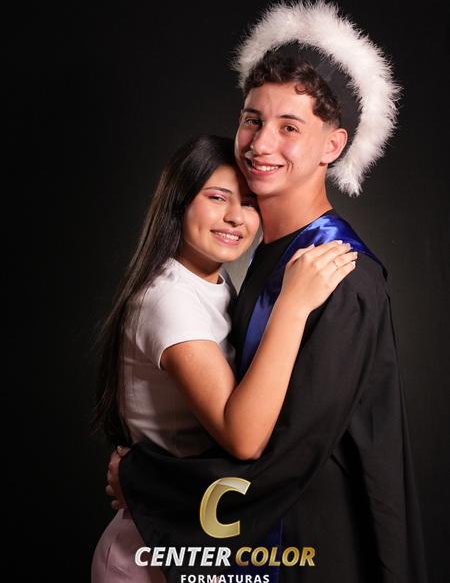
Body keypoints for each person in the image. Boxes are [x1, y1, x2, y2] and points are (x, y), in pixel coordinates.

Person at [106, 0, 428, 583]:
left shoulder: (342, 274)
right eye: (253, 120)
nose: (260, 144)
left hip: (318, 547)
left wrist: (148, 482)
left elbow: (286, 453)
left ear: (332, 146)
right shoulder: (265, 258)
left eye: (290, 128)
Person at [91, 133, 356, 582]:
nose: (235, 216)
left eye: (249, 202)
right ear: (180, 202)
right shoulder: (170, 299)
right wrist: (293, 306)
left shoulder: (214, 284)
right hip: (152, 551)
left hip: (191, 533)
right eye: (217, 198)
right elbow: (243, 437)